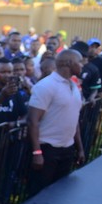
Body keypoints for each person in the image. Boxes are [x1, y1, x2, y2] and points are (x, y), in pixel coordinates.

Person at [28, 49, 85, 195]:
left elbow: (74, 119)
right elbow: (33, 121)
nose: (83, 65)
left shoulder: (73, 86)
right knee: (39, 196)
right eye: (80, 62)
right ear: (68, 63)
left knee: (58, 195)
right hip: (47, 151)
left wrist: (79, 148)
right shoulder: (45, 86)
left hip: (67, 149)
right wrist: (37, 153)